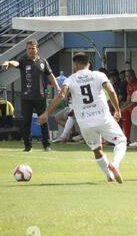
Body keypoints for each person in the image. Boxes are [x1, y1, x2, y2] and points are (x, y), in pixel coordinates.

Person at [38, 53, 127, 183]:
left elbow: (62, 94)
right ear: (89, 64)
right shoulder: (99, 75)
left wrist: (46, 113)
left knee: (97, 149)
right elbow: (111, 91)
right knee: (121, 141)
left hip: (85, 122)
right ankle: (115, 164)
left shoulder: (71, 79)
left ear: (76, 65)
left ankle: (109, 175)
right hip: (103, 118)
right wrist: (118, 110)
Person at [1, 40, 60, 152]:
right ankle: (28, 146)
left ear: (37, 49)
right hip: (26, 98)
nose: (31, 50)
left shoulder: (43, 62)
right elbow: (16, 63)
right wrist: (8, 63)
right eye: (29, 48)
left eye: (33, 48)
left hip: (41, 97)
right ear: (26, 50)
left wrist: (57, 87)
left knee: (43, 120)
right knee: (26, 122)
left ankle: (46, 145)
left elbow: (50, 75)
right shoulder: (23, 61)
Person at [120, 69, 137, 142]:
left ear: (134, 75)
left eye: (130, 76)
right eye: (126, 76)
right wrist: (121, 108)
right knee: (124, 112)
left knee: (125, 111)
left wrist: (124, 109)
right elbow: (128, 99)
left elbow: (135, 101)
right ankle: (126, 139)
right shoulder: (128, 85)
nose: (128, 78)